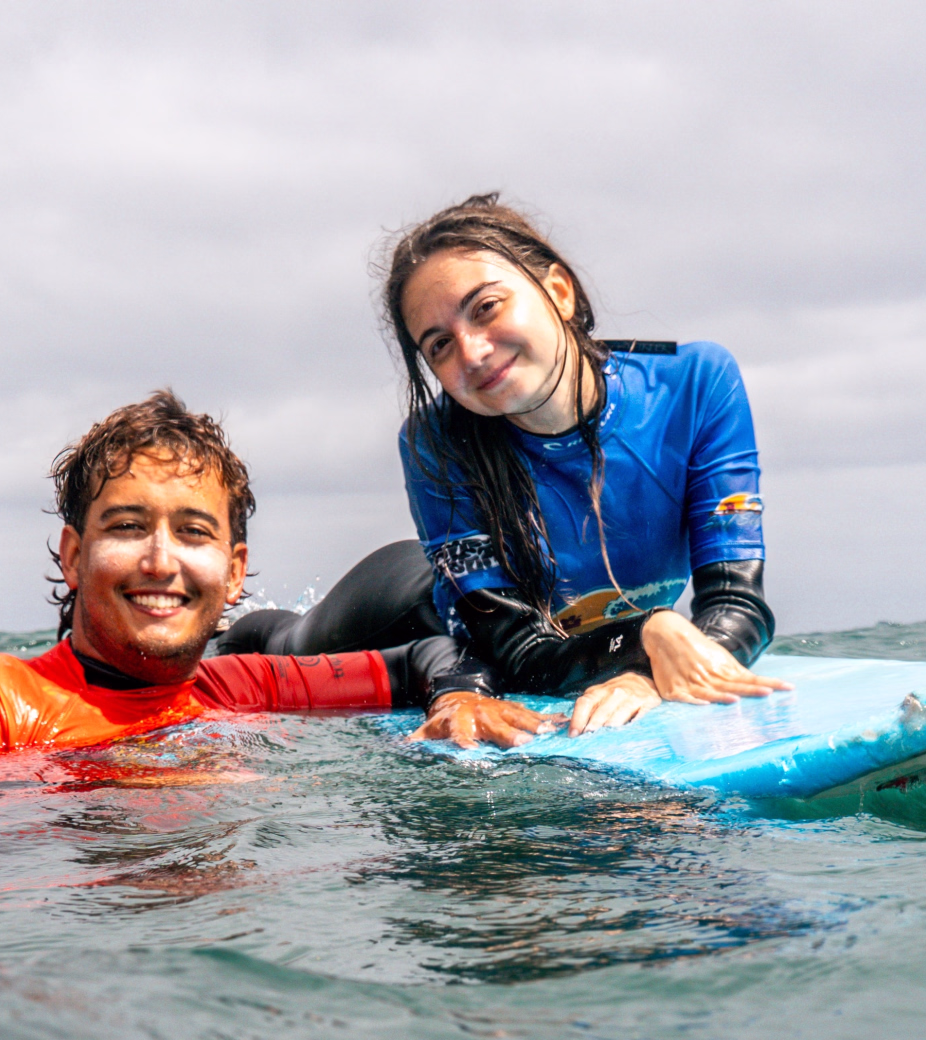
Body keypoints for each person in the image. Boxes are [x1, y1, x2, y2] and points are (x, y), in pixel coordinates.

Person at [222, 193, 788, 736]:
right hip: (415, 613)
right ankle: (230, 633)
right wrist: (648, 638)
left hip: (564, 634)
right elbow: (517, 655)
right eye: (439, 345)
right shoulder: (436, 440)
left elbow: (737, 602)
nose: (472, 352)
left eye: (486, 308)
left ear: (559, 292)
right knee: (283, 645)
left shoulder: (695, 384)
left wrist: (647, 675)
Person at [0, 391, 549, 763]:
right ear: (73, 555)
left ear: (235, 571)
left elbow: (427, 658)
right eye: (128, 526)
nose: (161, 561)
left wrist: (460, 698)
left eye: (193, 532)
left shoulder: (247, 685)